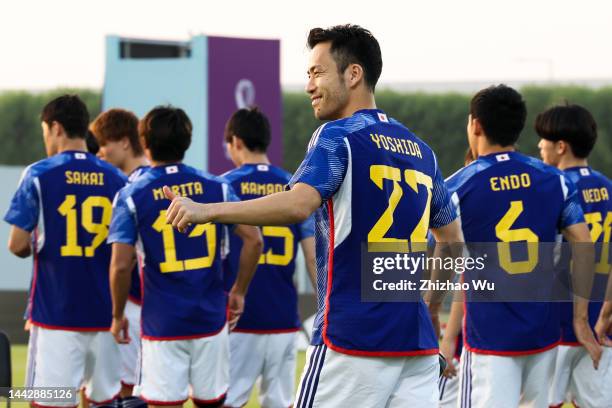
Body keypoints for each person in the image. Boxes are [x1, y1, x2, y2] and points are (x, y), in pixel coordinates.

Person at [163, 24, 463, 407]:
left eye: (317, 72)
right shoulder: (422, 151)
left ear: (353, 74)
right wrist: (432, 307)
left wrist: (208, 210)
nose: (309, 86)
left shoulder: (337, 136)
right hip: (416, 345)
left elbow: (297, 204)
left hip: (352, 340)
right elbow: (452, 240)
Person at [443, 85, 601, 408]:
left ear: (475, 125)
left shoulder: (458, 185)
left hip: (490, 340)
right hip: (542, 338)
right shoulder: (555, 180)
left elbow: (445, 256)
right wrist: (581, 320)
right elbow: (583, 244)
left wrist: (431, 311)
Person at [107, 106, 262, 408]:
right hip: (210, 321)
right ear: (187, 141)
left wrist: (116, 315)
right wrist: (239, 291)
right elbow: (254, 241)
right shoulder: (219, 186)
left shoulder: (131, 194)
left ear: (145, 143)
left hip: (162, 324)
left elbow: (121, 265)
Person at [4, 94, 126, 406]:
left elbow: (17, 245)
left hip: (58, 314)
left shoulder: (38, 174)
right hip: (105, 315)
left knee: (49, 401)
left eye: (45, 130)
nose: (45, 138)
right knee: (104, 401)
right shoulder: (118, 178)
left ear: (56, 127)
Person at [221, 107, 316, 408]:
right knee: (280, 403)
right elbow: (314, 258)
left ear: (235, 141)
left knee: (226, 401)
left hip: (237, 318)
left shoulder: (224, 186)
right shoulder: (294, 187)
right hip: (284, 319)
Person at [535, 103, 612, 408]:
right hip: (600, 327)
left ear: (561, 147)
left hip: (557, 321)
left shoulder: (554, 189)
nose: (540, 146)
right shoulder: (608, 188)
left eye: (544, 140)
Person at [90, 108, 149, 397]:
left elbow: (123, 262)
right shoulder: (155, 179)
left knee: (120, 390)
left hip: (134, 301)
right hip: (161, 304)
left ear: (125, 142)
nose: (99, 152)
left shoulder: (131, 186)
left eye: (104, 144)